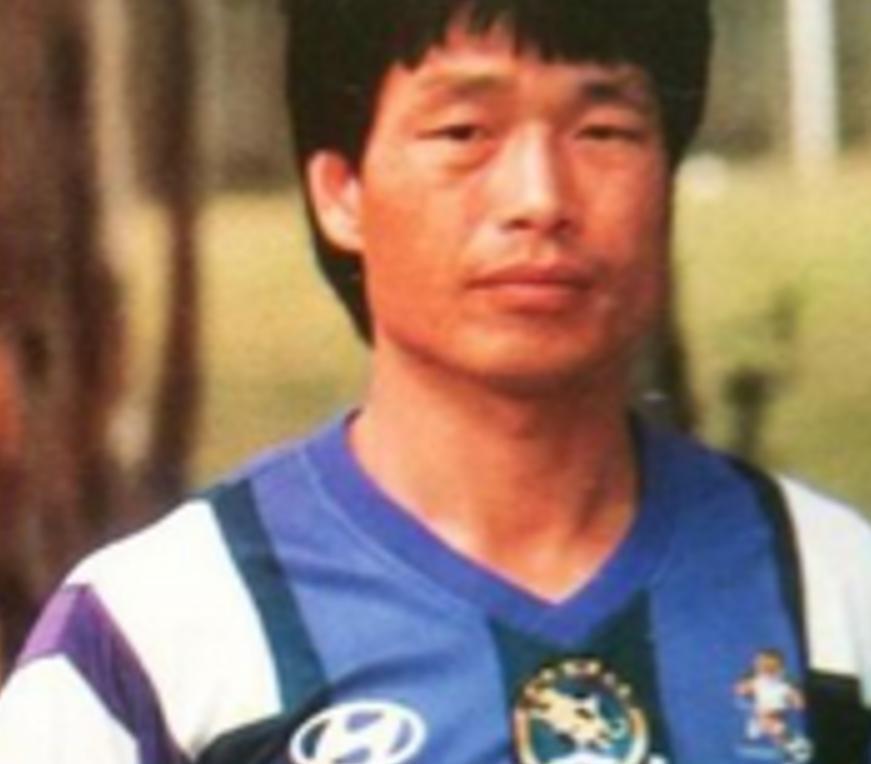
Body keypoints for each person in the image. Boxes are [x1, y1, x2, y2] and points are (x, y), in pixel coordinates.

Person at [1, 1, 870, 763]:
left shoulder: (833, 595)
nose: (539, 198)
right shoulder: (156, 639)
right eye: (463, 133)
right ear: (340, 192)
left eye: (602, 131)